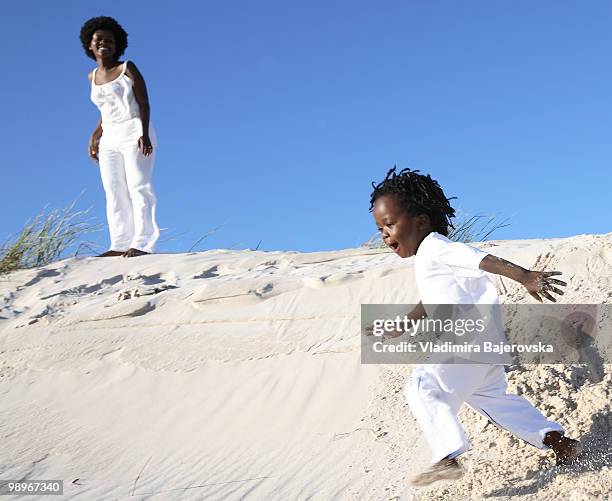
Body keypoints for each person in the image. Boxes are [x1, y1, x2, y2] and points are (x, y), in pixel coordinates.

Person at [369, 166, 581, 487]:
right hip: (486, 346)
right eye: (380, 228)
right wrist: (401, 323)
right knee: (498, 403)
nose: (385, 235)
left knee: (421, 386)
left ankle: (447, 455)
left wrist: (524, 275)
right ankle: (557, 441)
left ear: (420, 221)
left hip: (466, 338)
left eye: (390, 224)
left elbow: (478, 257)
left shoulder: (435, 246)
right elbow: (431, 300)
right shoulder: (431, 259)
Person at [80, 16, 159, 258]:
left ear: (118, 45)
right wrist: (96, 134)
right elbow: (105, 110)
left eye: (110, 40)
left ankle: (143, 243)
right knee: (113, 190)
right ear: (90, 45)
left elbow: (144, 102)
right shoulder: (91, 77)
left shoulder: (127, 68)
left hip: (135, 130)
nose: (105, 43)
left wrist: (144, 134)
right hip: (110, 137)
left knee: (138, 186)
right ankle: (119, 244)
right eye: (99, 39)